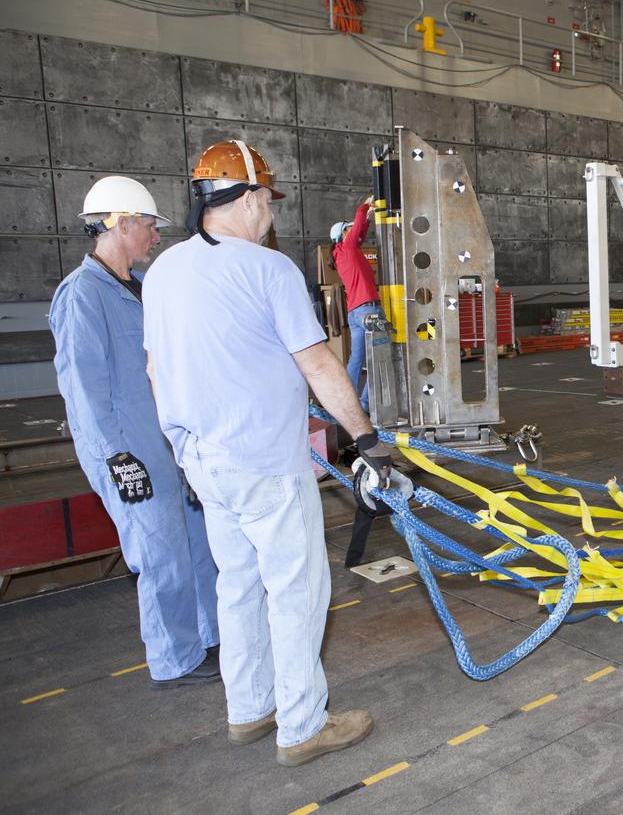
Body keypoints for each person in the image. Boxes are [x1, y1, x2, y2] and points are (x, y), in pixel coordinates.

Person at [143, 140, 396, 767]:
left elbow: (155, 370)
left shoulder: (165, 271)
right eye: (268, 201)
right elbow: (317, 364)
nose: (270, 215)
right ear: (251, 198)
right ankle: (303, 725)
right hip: (263, 463)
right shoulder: (267, 269)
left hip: (202, 460)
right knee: (297, 589)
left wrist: (183, 451)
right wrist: (366, 440)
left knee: (239, 586)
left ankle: (250, 710)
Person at [48, 176, 220, 690]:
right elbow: (82, 388)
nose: (155, 237)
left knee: (197, 545)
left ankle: (210, 636)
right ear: (120, 224)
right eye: (148, 226)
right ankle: (175, 660)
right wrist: (115, 457)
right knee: (160, 554)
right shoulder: (82, 295)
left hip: (168, 446)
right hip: (131, 453)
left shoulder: (139, 291)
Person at [329, 199, 384, 411]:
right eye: (349, 229)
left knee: (356, 360)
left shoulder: (343, 253)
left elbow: (360, 232)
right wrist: (365, 206)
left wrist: (367, 218)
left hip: (355, 313)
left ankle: (348, 403)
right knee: (381, 358)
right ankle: (365, 404)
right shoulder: (347, 247)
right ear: (343, 234)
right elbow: (358, 228)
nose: (353, 231)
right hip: (368, 310)